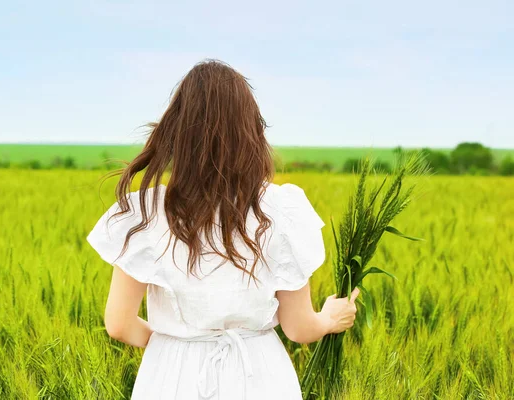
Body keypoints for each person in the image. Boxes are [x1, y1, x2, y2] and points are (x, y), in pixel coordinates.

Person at [86, 59, 359, 400]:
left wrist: (176, 346)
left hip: (170, 376)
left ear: (178, 132)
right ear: (250, 130)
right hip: (259, 375)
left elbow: (118, 324)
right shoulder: (279, 210)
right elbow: (299, 328)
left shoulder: (147, 212)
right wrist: (331, 318)